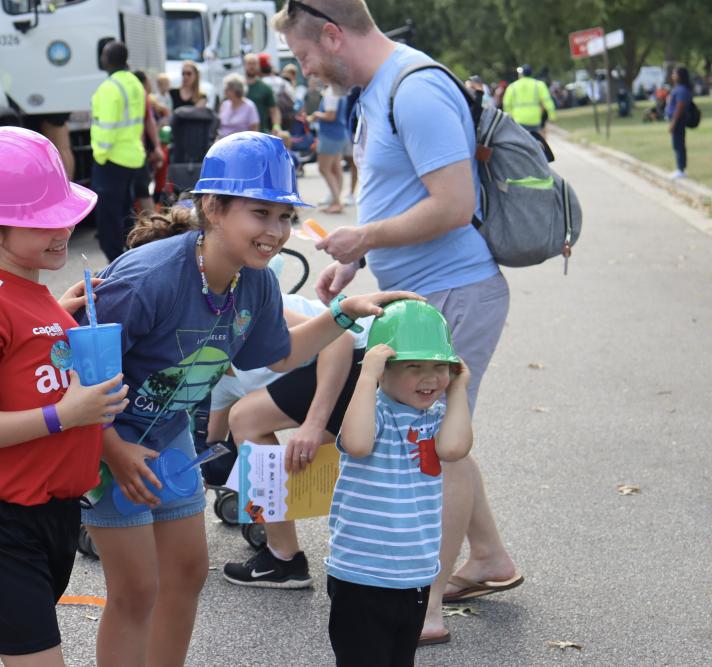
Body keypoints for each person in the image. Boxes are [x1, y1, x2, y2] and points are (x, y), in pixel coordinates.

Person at [80, 131, 419, 666]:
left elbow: (280, 354)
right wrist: (111, 452)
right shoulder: (147, 280)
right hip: (106, 450)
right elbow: (75, 375)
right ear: (213, 208)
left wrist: (345, 313)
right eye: (261, 213)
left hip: (169, 445)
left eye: (285, 217)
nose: (277, 232)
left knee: (187, 575)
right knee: (135, 590)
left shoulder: (253, 281)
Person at [275, 0, 521, 646]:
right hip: (425, 292)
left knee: (434, 444)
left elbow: (453, 203)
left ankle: (428, 601)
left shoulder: (414, 90)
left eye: (305, 57)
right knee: (439, 435)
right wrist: (357, 258)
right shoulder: (377, 91)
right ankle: (490, 556)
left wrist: (363, 236)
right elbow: (403, 198)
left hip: (456, 290)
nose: (306, 73)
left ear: (332, 35)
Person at [0, 127, 130, 667]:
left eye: (62, 214)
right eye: (42, 220)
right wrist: (62, 416)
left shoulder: (35, 294)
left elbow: (30, 355)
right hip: (1, 521)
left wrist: (59, 316)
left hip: (53, 514)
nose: (62, 229)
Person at [329, 301, 472, 666]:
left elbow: (455, 449)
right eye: (413, 367)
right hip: (362, 573)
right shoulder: (372, 409)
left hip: (415, 572)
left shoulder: (437, 415)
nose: (430, 378)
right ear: (383, 370)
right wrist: (365, 378)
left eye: (439, 367)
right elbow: (358, 444)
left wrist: (458, 391)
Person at [218, 291, 372, 589]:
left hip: (361, 353)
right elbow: (211, 440)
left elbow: (340, 339)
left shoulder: (240, 300)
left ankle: (283, 558)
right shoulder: (214, 365)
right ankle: (489, 555)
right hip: (354, 360)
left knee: (245, 419)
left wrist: (313, 425)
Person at [91, 41, 147, 262]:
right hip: (132, 157)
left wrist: (100, 155)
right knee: (125, 215)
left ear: (108, 59)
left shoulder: (109, 87)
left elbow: (107, 127)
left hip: (111, 159)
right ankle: (129, 260)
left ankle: (114, 265)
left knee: (108, 220)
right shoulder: (134, 82)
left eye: (104, 55)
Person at [310, 85, 350, 214]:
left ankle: (336, 202)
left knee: (324, 168)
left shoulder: (331, 92)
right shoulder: (339, 90)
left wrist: (316, 114)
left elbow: (330, 115)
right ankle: (336, 200)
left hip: (330, 135)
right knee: (336, 168)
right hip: (339, 133)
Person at [132, 69, 167, 214]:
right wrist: (155, 149)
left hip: (134, 152)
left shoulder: (137, 98)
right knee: (144, 192)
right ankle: (153, 228)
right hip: (140, 152)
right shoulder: (142, 97)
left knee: (140, 191)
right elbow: (148, 124)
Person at [502, 64, 556, 136]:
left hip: (518, 120)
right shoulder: (539, 85)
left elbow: (506, 104)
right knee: (535, 141)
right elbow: (547, 101)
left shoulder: (512, 86)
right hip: (534, 120)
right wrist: (552, 116)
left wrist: (509, 118)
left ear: (521, 74)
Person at [666, 66, 694, 180]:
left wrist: (673, 123)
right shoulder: (679, 88)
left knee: (678, 145)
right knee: (677, 144)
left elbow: (680, 106)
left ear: (680, 76)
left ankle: (680, 169)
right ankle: (680, 168)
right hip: (677, 120)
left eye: (674, 73)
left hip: (678, 120)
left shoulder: (682, 89)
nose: (673, 75)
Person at [244, 53, 281, 134]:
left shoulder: (265, 88)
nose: (252, 66)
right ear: (244, 65)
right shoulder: (238, 86)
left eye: (254, 63)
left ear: (258, 66)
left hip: (260, 133)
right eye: (249, 63)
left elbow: (274, 110)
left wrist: (276, 126)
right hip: (239, 133)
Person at [216, 73, 260, 139]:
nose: (224, 91)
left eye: (227, 89)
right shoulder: (224, 104)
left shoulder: (249, 106)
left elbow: (254, 129)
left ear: (236, 90)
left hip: (241, 142)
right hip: (223, 141)